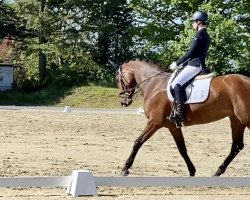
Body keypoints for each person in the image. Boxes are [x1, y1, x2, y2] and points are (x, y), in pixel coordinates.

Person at [169, 10, 211, 123]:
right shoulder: (205, 34)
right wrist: (183, 64)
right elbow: (196, 52)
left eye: (193, 22)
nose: (192, 24)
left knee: (176, 84)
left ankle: (180, 114)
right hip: (197, 63)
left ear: (199, 22)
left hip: (195, 64)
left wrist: (177, 62)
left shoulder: (200, 34)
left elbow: (191, 52)